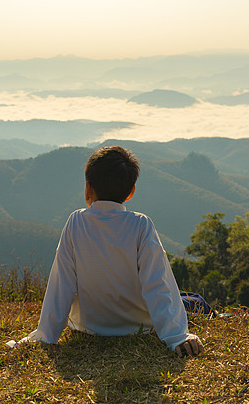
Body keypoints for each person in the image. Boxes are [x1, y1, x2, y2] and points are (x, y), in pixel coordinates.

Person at [17, 145, 204, 358]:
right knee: (196, 301)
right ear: (131, 191)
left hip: (88, 325)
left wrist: (45, 335)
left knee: (193, 299)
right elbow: (157, 285)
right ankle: (221, 313)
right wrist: (177, 336)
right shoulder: (141, 225)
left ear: (88, 187)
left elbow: (62, 285)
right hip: (138, 325)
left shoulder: (76, 222)